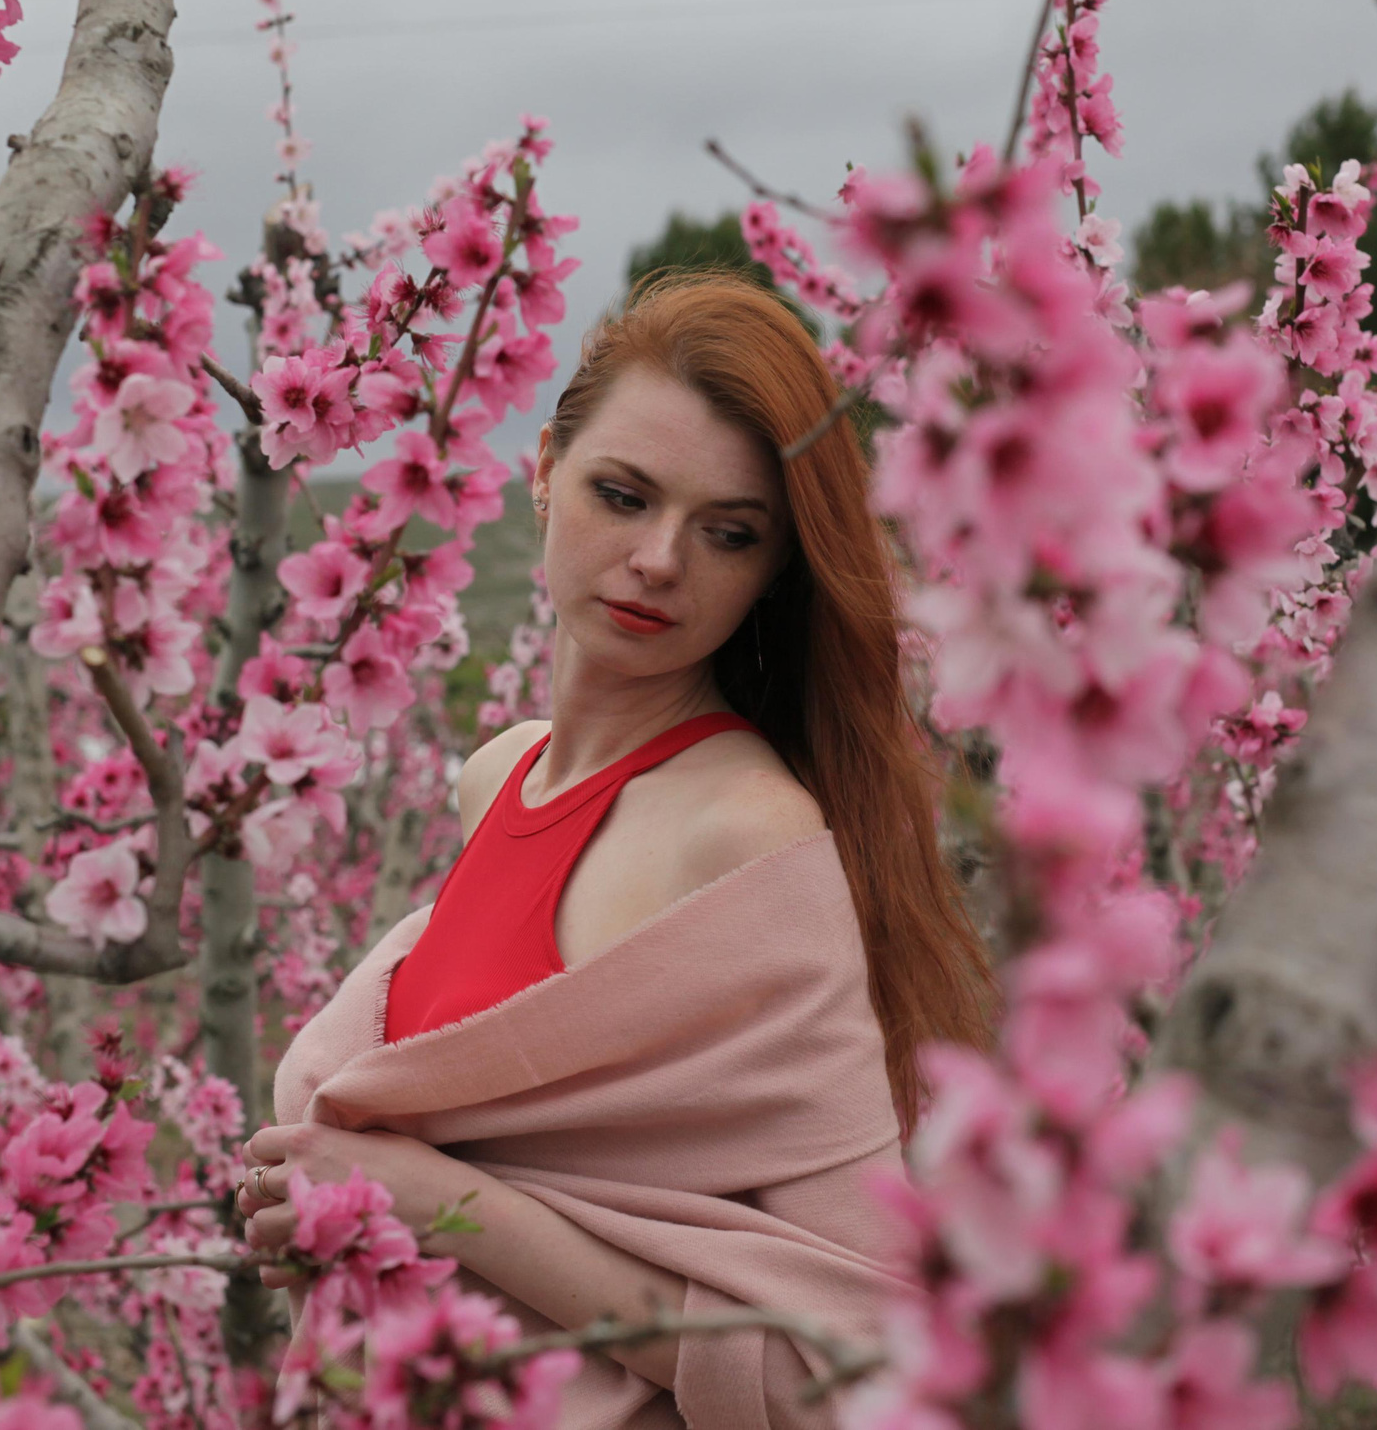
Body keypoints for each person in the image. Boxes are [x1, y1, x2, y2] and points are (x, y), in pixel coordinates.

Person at [235, 268, 999, 1428]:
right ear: (542, 471)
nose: (659, 561)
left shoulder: (742, 834)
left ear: (773, 570)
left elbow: (843, 1366)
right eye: (624, 495)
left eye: (728, 533)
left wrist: (433, 1201)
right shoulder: (498, 775)